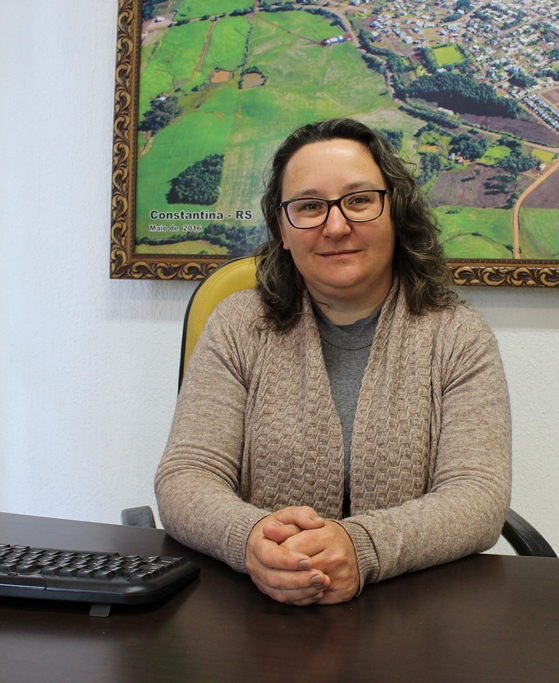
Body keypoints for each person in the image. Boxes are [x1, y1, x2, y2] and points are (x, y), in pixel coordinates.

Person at [155, 118, 511, 606]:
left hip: (411, 612)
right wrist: (252, 538)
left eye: (359, 201)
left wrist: (361, 548)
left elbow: (478, 497)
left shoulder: (459, 338)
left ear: (395, 211)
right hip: (257, 607)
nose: (336, 226)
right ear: (283, 229)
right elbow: (185, 477)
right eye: (309, 207)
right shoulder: (238, 326)